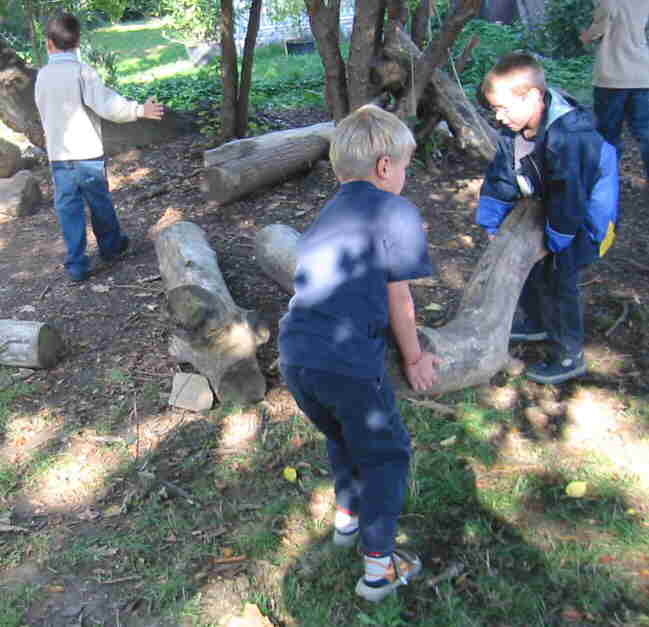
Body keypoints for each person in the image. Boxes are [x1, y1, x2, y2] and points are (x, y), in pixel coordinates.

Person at [278, 104, 440, 602]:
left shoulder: (326, 216)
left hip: (295, 356)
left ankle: (347, 519)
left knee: (341, 436)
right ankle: (378, 569)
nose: (406, 176)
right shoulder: (395, 210)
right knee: (387, 454)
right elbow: (399, 298)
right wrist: (414, 357)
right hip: (347, 363)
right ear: (385, 167)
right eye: (406, 166)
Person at [476, 53, 619, 385]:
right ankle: (536, 322)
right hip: (553, 205)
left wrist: (557, 240)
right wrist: (492, 221)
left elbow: (572, 198)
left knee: (559, 277)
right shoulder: (514, 129)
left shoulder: (570, 137)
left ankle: (568, 353)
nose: (498, 117)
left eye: (503, 108)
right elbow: (501, 175)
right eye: (495, 109)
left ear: (532, 97)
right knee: (531, 264)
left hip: (585, 218)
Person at [35, 12, 164, 282]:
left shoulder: (42, 76)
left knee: (68, 210)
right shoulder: (83, 72)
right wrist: (139, 110)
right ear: (77, 42)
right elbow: (108, 105)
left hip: (59, 158)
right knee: (100, 203)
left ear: (48, 43)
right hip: (87, 155)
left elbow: (43, 110)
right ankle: (111, 247)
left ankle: (77, 264)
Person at [580, 1, 649, 183]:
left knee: (608, 134)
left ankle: (607, 182)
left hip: (611, 76)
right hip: (642, 75)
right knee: (645, 133)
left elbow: (601, 26)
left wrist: (586, 36)